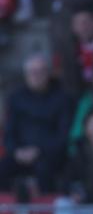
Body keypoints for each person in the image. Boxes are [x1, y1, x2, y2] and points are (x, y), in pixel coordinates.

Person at [0, 54, 70, 197]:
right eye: (32, 72)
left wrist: (39, 151)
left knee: (45, 170)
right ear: (26, 75)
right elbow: (9, 131)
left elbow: (63, 135)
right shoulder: (15, 98)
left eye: (40, 72)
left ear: (48, 73)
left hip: (49, 155)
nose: (36, 76)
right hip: (20, 154)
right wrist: (16, 151)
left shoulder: (62, 98)